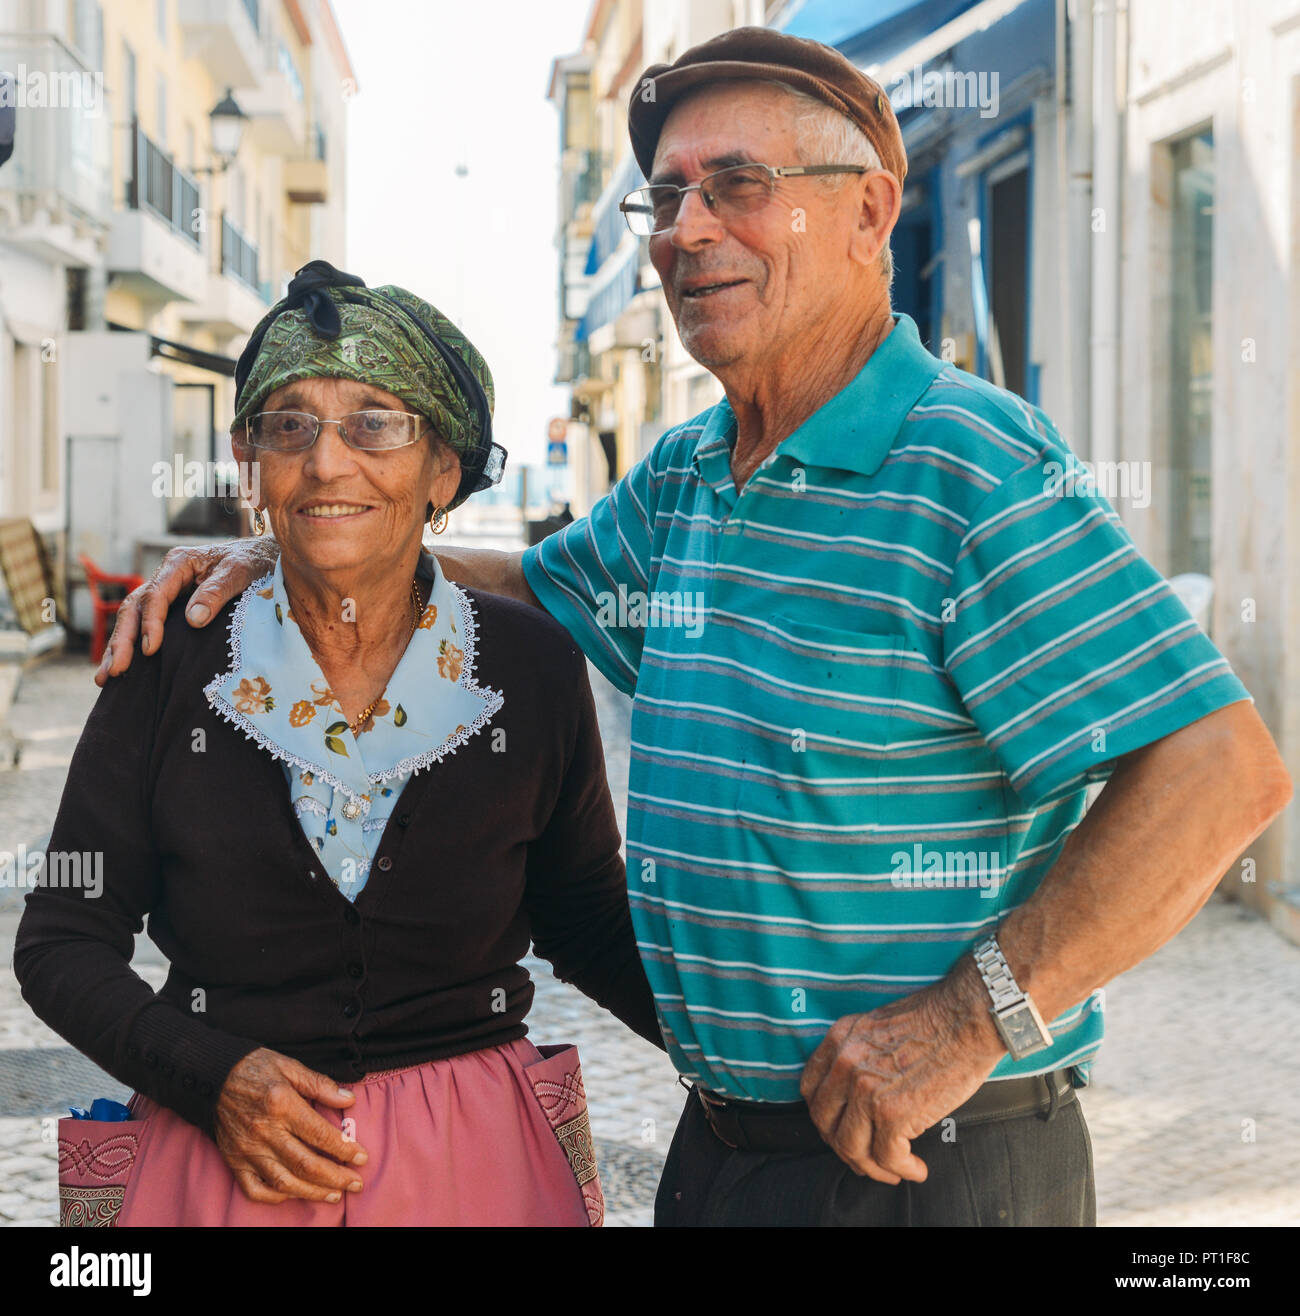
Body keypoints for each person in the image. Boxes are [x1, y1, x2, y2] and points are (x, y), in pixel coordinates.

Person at [98, 30, 1291, 1228]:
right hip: (727, 1149)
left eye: (738, 186)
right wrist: (308, 537)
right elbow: (524, 589)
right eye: (666, 197)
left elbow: (1218, 771)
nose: (686, 229)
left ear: (871, 213)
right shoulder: (689, 477)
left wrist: (966, 1018)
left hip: (923, 1160)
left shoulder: (968, 467)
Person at [16, 263, 662, 1227]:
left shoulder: (530, 668)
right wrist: (210, 1073)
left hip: (474, 1173)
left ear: (444, 469)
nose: (326, 464)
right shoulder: (168, 661)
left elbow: (586, 920)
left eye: (375, 424)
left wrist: (766, 1065)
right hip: (221, 1170)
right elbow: (63, 936)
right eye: (290, 427)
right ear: (253, 467)